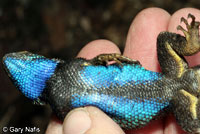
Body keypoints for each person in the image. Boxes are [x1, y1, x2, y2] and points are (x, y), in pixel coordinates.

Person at [45, 7, 200, 134]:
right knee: (192, 125)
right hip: (178, 95)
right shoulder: (66, 104)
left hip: (176, 78)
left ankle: (189, 46)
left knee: (162, 38)